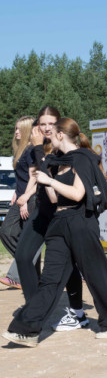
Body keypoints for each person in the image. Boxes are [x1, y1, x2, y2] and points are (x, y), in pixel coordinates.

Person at [3, 118, 107, 347]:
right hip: (59, 222)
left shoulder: (83, 158)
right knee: (50, 280)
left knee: (96, 274)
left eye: (51, 132)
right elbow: (54, 198)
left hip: (80, 221)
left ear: (61, 134)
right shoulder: (56, 161)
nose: (47, 136)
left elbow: (77, 194)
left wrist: (50, 180)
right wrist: (44, 173)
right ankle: (27, 329)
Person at [0, 116, 36, 288]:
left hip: (30, 198)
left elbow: (34, 178)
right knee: (6, 231)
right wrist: (16, 192)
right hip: (20, 196)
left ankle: (20, 272)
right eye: (15, 128)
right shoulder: (20, 150)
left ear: (27, 130)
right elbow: (21, 177)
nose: (15, 132)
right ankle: (27, 264)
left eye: (18, 129)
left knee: (28, 238)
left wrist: (26, 198)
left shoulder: (32, 151)